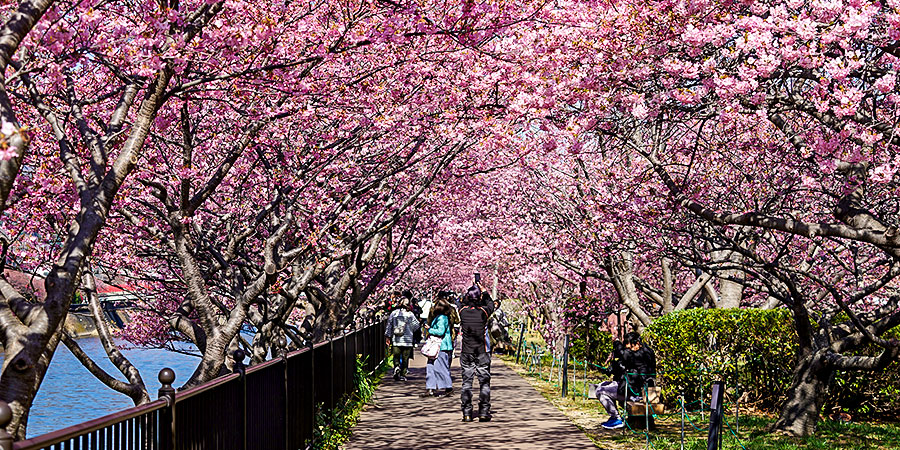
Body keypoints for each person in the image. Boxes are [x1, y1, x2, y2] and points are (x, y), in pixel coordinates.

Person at [596, 332, 657, 429]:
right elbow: (624, 363)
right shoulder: (643, 352)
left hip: (636, 393)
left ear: (637, 343)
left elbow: (625, 355)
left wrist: (616, 343)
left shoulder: (643, 354)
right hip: (631, 388)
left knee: (600, 391)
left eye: (629, 346)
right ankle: (616, 418)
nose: (628, 349)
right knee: (603, 384)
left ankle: (616, 418)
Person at [458, 283, 495, 422]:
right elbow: (491, 303)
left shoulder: (462, 311)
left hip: (466, 352)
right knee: (484, 383)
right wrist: (484, 292)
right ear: (479, 298)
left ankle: (467, 413)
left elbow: (459, 302)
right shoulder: (483, 312)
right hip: (481, 352)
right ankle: (484, 412)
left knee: (467, 383)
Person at [422, 298, 455, 397]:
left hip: (441, 346)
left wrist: (430, 329)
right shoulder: (441, 317)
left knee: (440, 367)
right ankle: (430, 388)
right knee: (431, 367)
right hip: (436, 346)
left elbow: (440, 332)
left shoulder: (442, 318)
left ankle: (448, 387)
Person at [385, 297, 420, 381]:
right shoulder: (410, 314)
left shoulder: (394, 313)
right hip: (407, 340)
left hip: (396, 339)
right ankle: (403, 374)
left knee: (396, 356)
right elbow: (416, 326)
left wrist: (388, 336)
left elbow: (389, 326)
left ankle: (396, 367)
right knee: (405, 358)